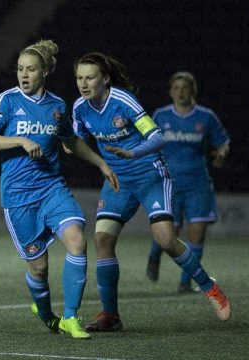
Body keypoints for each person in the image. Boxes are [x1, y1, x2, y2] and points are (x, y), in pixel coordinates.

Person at [71, 52, 231, 332]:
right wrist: (73, 148)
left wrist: (132, 152)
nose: (84, 84)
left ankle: (210, 287)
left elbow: (157, 137)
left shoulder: (123, 102)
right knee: (102, 240)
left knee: (167, 240)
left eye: (90, 77)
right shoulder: (79, 108)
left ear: (105, 79)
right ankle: (111, 315)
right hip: (118, 180)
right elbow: (76, 143)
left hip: (149, 174)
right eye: (79, 78)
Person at [0, 40, 119, 339]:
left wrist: (101, 164)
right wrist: (19, 140)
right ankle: (45, 312)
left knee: (77, 240)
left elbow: (71, 142)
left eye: (30, 69)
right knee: (39, 268)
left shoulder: (57, 106)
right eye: (19, 69)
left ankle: (70, 317)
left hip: (52, 187)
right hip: (18, 197)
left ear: (45, 72)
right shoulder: (6, 102)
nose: (23, 75)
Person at [145, 72, 230, 293]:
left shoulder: (206, 117)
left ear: (193, 91)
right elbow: (149, 143)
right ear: (170, 91)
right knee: (168, 234)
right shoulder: (161, 115)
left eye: (185, 87)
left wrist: (221, 153)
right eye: (176, 88)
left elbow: (223, 141)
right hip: (168, 184)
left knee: (197, 233)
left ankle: (185, 282)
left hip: (198, 184)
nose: (180, 92)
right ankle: (155, 255)